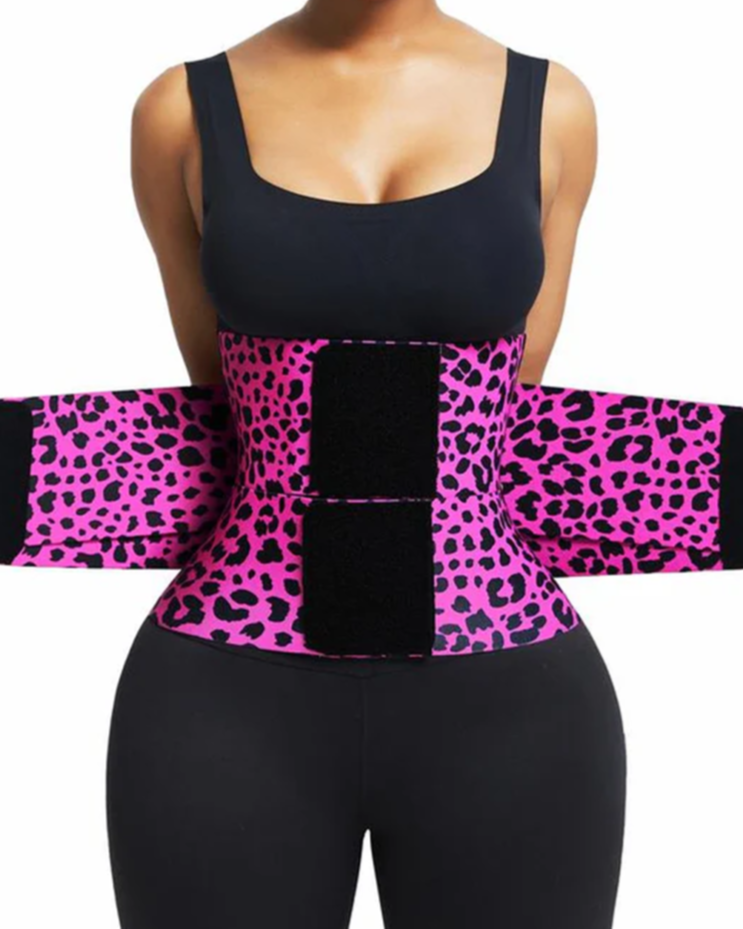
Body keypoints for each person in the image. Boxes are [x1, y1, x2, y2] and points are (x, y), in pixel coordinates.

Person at [0, 3, 638, 927]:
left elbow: (515, 412)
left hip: (508, 692)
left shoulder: (554, 108)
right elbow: (220, 403)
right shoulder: (178, 110)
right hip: (226, 695)